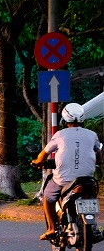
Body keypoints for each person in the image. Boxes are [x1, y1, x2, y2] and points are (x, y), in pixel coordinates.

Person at [31, 102, 103, 240]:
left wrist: (37, 162)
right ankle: (93, 227)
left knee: (47, 196)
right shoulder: (92, 135)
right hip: (88, 179)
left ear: (64, 120)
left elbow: (43, 155)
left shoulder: (60, 135)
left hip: (63, 180)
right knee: (92, 196)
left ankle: (51, 229)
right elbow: (99, 156)